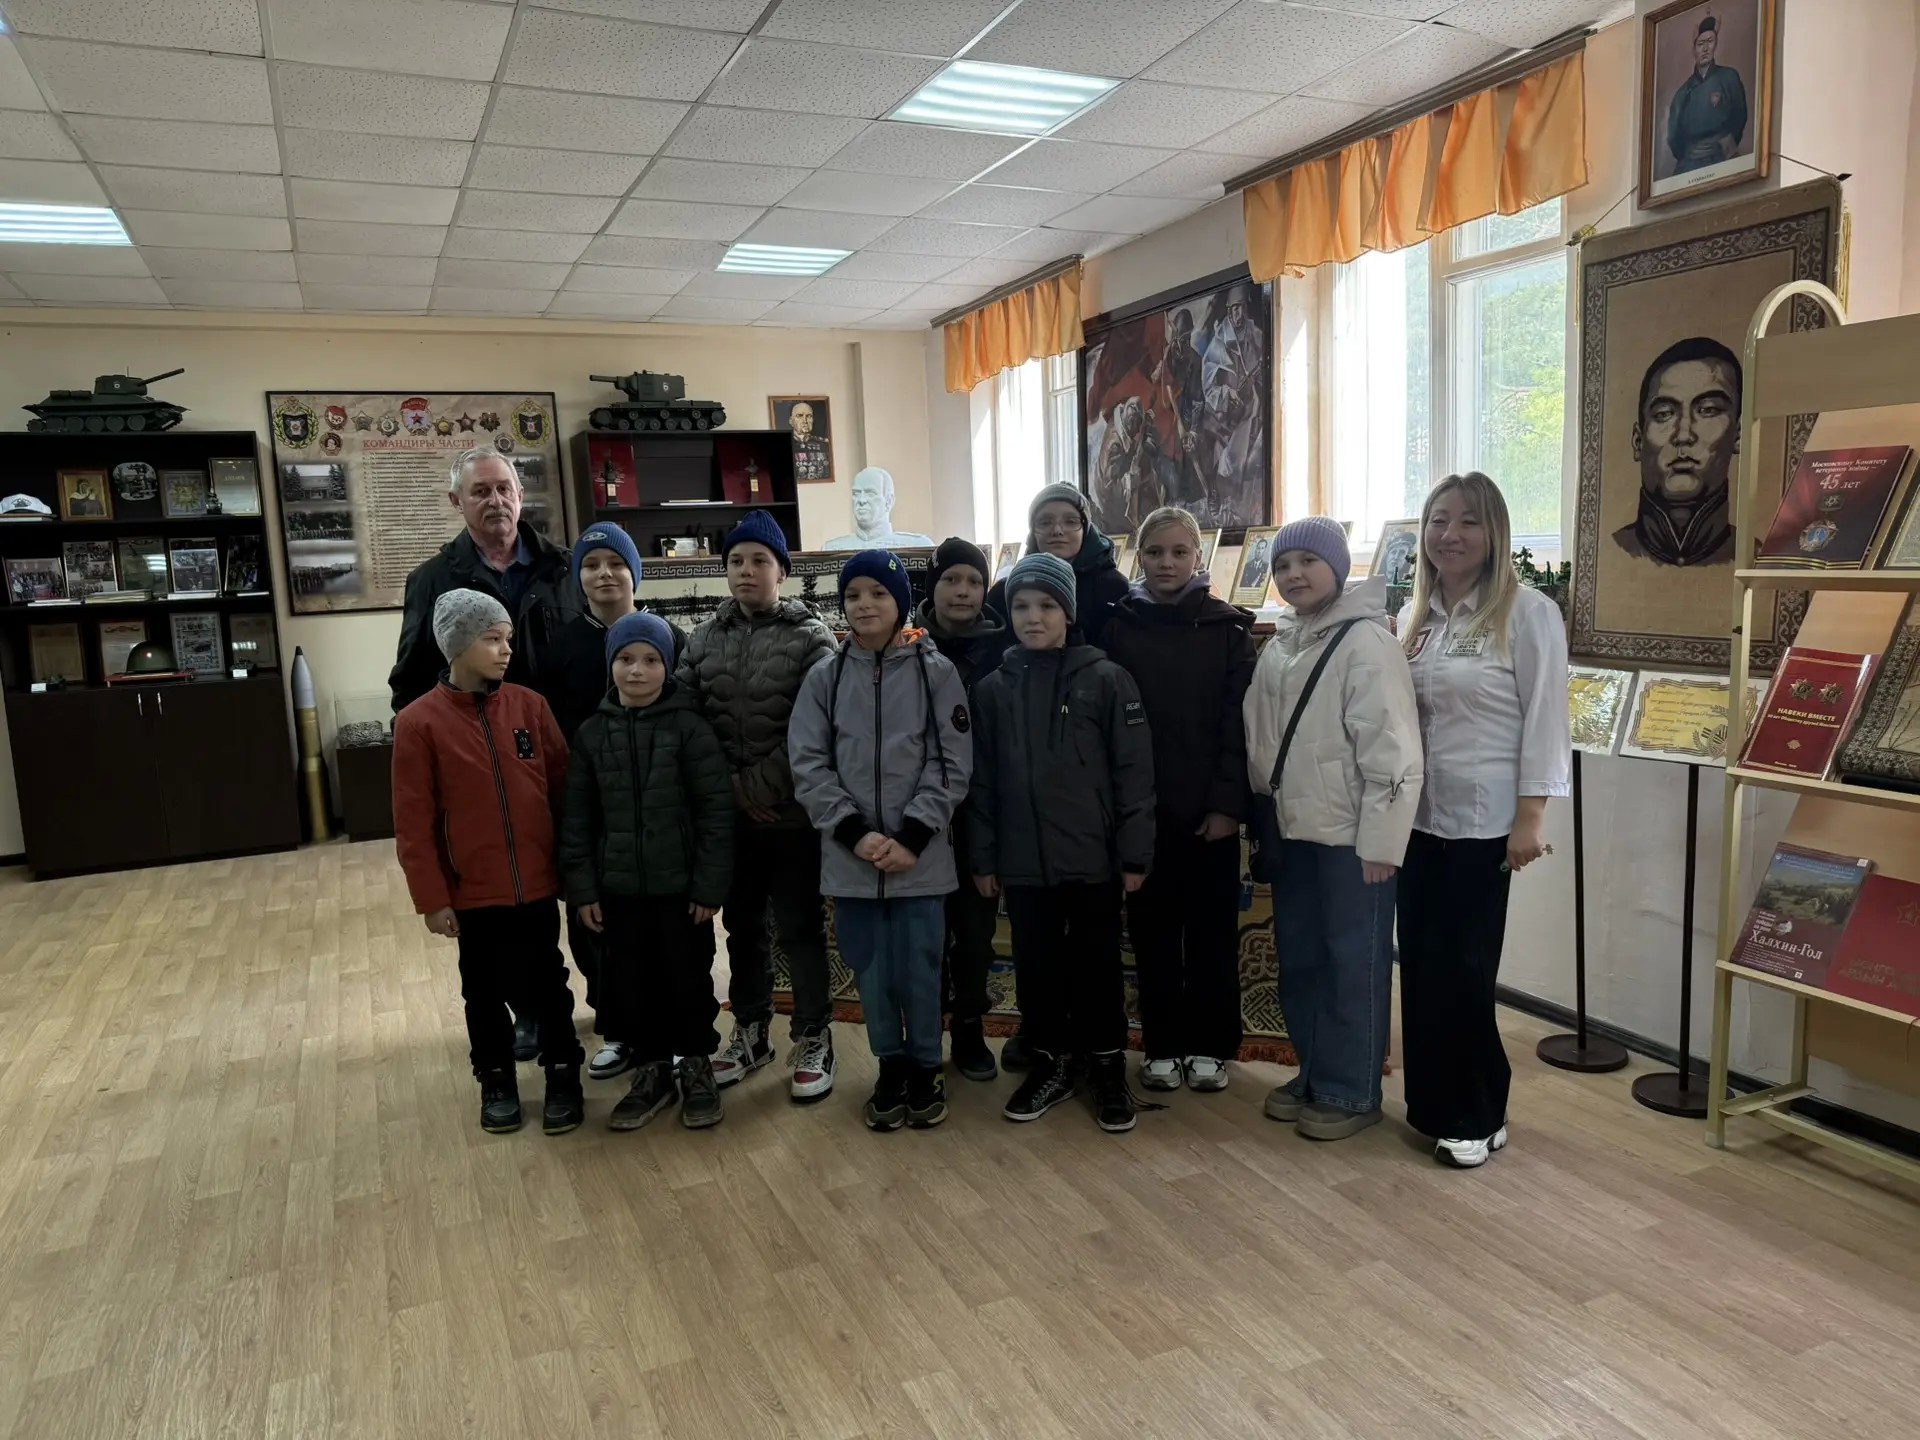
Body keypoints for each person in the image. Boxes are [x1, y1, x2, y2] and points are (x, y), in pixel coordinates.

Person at [1397, 473, 1570, 1168]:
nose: (1451, 534)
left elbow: (1547, 719)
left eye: (1468, 521)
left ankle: (1476, 1113)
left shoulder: (1527, 613)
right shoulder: (1416, 619)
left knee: (1465, 971)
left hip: (1485, 822)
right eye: (1439, 520)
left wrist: (1532, 815)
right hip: (1417, 821)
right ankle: (1437, 1105)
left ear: (1494, 532)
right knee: (1422, 968)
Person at [389, 449, 582, 1062]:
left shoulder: (563, 566)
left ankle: (596, 1009)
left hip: (555, 753)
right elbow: (409, 679)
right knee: (498, 921)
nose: (495, 501)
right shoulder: (431, 580)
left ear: (521, 495)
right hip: (473, 764)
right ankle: (525, 1015)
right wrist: (432, 745)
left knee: (565, 901)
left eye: (504, 489)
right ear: (457, 502)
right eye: (480, 492)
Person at [1244, 518, 1422, 1141]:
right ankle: (1315, 1071)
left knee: (1353, 962)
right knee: (1301, 959)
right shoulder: (1282, 643)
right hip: (1293, 831)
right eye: (1282, 564)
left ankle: (1352, 1090)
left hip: (1351, 839)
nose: (1293, 574)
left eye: (1307, 562)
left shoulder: (1366, 642)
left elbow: (1392, 748)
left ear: (1338, 569)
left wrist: (1382, 842)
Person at [970, 552, 1156, 1133]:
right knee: (1037, 967)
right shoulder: (993, 690)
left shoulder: (1107, 679)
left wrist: (1135, 852)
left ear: (1069, 613)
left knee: (1098, 964)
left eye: (1047, 606)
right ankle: (1050, 1061)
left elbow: (1134, 773)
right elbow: (981, 782)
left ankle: (1106, 1064)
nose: (1034, 617)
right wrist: (984, 855)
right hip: (1023, 862)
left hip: (1093, 859)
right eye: (1022, 606)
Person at [390, 590, 584, 1136]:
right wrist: (433, 899)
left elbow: (563, 792)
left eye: (508, 639)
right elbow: (414, 824)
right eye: (492, 639)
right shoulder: (419, 724)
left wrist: (572, 870)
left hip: (537, 885)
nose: (506, 650)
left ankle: (563, 1073)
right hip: (472, 891)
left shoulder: (529, 707)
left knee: (549, 982)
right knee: (482, 990)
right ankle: (496, 1078)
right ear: (456, 645)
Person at [791, 551, 973, 1131]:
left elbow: (952, 763)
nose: (864, 605)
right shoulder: (825, 678)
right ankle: (889, 1065)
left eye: (878, 593)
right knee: (871, 971)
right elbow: (809, 763)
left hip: (920, 860)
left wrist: (913, 835)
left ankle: (926, 1066)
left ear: (900, 603)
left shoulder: (936, 673)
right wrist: (853, 832)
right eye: (853, 595)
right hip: (852, 861)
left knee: (920, 968)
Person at [676, 510, 840, 1100]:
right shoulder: (701, 640)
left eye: (759, 561)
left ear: (782, 571)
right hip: (731, 822)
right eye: (736, 561)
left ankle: (814, 1034)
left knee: (798, 927)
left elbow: (816, 730)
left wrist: (755, 791)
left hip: (791, 817)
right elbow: (686, 722)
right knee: (742, 926)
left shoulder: (812, 638)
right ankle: (750, 1030)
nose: (746, 570)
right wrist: (730, 794)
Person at [560, 612, 733, 1132]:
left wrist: (708, 885)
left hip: (680, 893)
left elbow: (715, 813)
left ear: (668, 666)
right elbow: (576, 819)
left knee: (688, 979)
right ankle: (652, 1070)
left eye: (651, 660)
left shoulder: (690, 730)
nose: (637, 671)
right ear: (610, 664)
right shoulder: (592, 735)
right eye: (626, 659)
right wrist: (583, 889)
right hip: (617, 892)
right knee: (630, 984)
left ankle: (696, 1066)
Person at [1103, 507, 1256, 1093]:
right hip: (1144, 813)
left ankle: (1211, 1045)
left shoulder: (1227, 630)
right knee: (1152, 932)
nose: (1166, 563)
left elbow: (1237, 725)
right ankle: (1163, 1043)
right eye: (1154, 552)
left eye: (1179, 552)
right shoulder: (1119, 626)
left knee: (1211, 933)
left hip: (1208, 813)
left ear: (1199, 556)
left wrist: (1225, 806)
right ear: (1138, 558)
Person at [541, 523, 688, 1081]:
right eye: (591, 564)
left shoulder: (670, 638)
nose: (604, 574)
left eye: (616, 563)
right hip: (593, 806)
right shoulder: (561, 647)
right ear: (577, 577)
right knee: (596, 923)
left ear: (635, 572)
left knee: (667, 929)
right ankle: (618, 1027)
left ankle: (677, 1032)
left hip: (659, 807)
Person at [913, 539, 1007, 1081]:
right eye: (951, 580)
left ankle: (969, 1027)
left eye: (974, 581)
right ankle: (925, 1031)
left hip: (980, 812)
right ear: (934, 586)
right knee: (924, 934)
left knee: (973, 935)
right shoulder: (905, 646)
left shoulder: (1003, 649)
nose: (963, 591)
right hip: (920, 812)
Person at [1614, 336, 1741, 568]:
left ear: (1738, 435)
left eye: (1708, 410)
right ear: (1638, 441)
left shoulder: (1761, 563)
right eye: (1664, 414)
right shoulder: (1611, 552)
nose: (1683, 435)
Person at [985, 484, 1130, 649]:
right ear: (1033, 532)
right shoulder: (1003, 592)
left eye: (1070, 522)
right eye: (1045, 522)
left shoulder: (1114, 587)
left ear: (1085, 529)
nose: (1057, 530)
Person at [1665, 15, 1747, 175]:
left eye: (1710, 41)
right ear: (1694, 49)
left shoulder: (1729, 77)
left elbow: (1740, 116)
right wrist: (1691, 154)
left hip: (1722, 154)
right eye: (1700, 44)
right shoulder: (1683, 93)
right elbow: (1674, 138)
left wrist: (1725, 143)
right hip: (1690, 161)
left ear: (1716, 44)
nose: (1705, 49)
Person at [821, 467, 935, 549]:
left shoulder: (918, 546)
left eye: (870, 493)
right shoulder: (831, 549)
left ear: (889, 501)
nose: (861, 500)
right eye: (856, 493)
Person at [788, 400, 831, 483]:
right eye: (799, 416)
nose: (805, 421)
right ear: (791, 421)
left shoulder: (824, 444)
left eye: (809, 416)